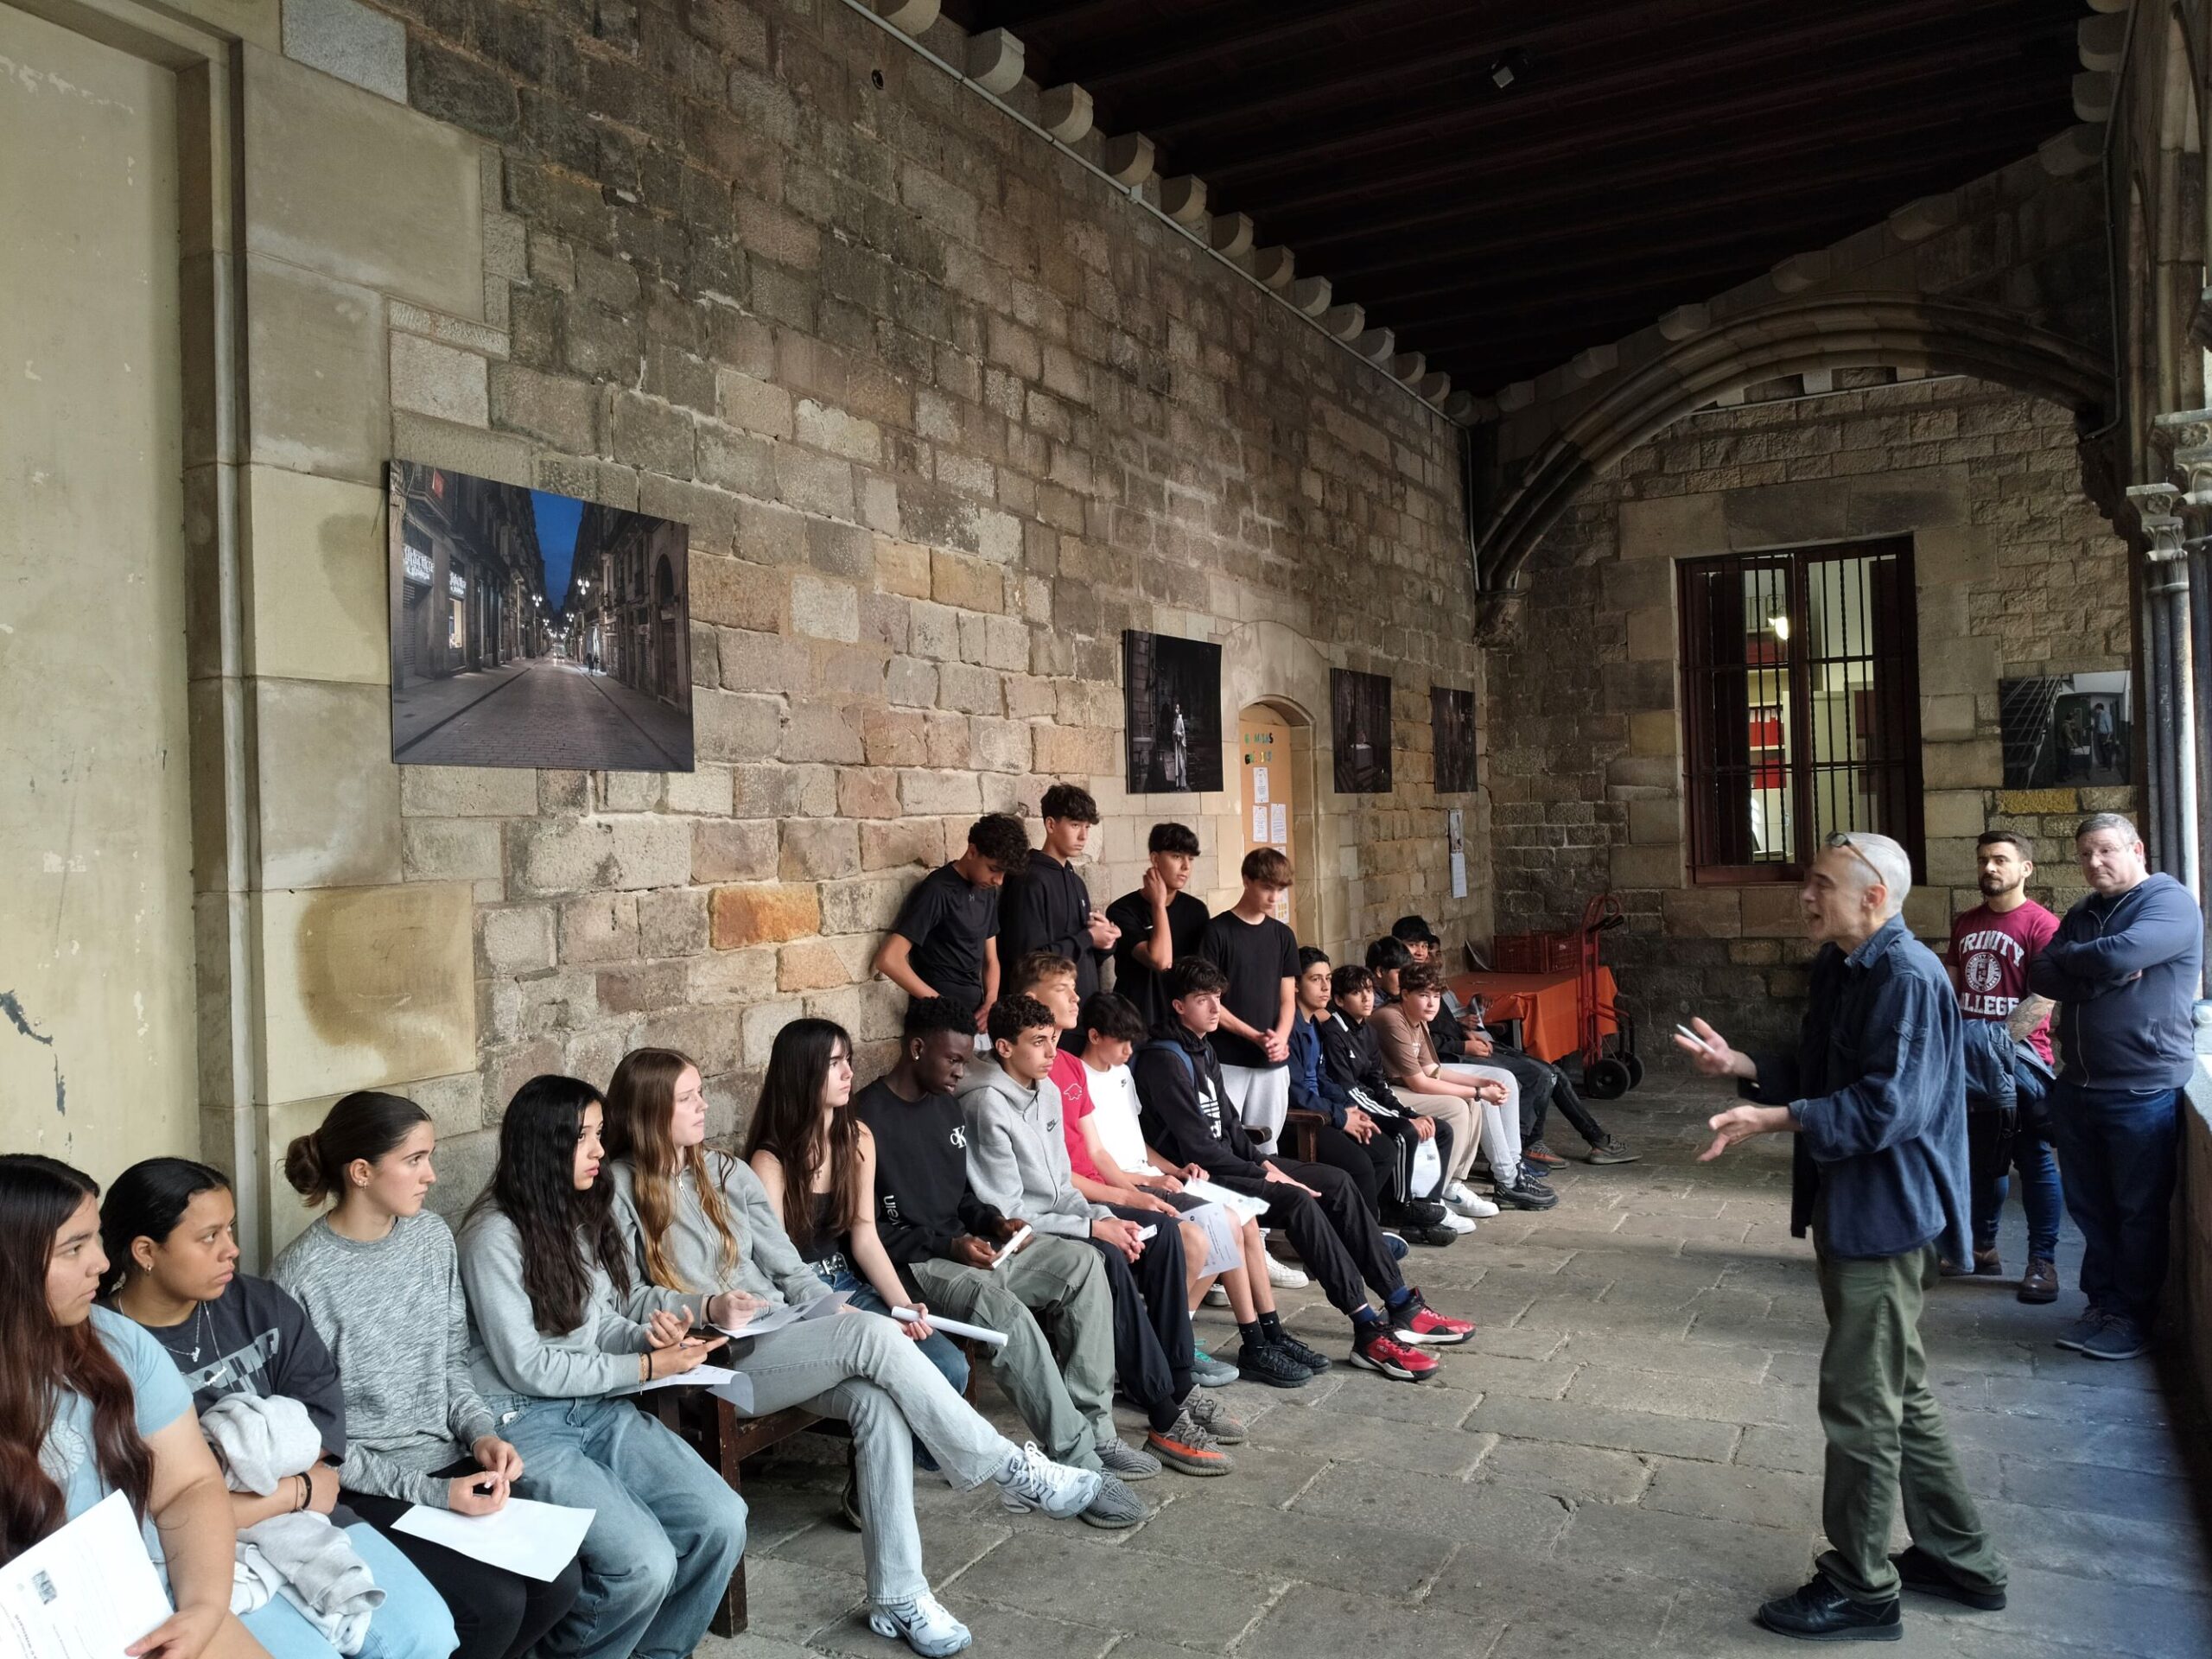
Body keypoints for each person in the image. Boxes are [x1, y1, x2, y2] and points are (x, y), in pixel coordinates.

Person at [605, 1041, 1112, 1652]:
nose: (704, 1106)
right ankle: (1009, 1468)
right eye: (688, 1098)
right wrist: (708, 1307)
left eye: (700, 1093)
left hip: (783, 1336)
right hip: (712, 1363)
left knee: (877, 1400)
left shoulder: (726, 1172)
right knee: (873, 1333)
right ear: (650, 1111)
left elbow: (788, 1267)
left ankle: (899, 1596)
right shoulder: (617, 1189)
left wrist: (830, 1307)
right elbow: (626, 1298)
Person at [1678, 830, 2005, 1640]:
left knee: (1861, 1405)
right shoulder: (1843, 965)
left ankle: (1862, 1586)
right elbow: (1826, 1068)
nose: (1805, 896)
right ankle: (1962, 1558)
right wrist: (1744, 1065)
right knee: (1900, 1389)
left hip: (1887, 1215)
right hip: (1853, 1205)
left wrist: (1773, 1119)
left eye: (1821, 884)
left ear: (1874, 897)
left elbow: (1888, 1106)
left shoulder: (1908, 977)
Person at [99, 1160, 458, 1659]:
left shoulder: (258, 1304)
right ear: (146, 1252)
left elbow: (320, 1427)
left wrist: (285, 1483)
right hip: (197, 1550)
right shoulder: (105, 1349)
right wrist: (295, 1490)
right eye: (209, 1237)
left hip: (311, 1523)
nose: (231, 1249)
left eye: (230, 1229)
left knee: (427, 1633)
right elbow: (150, 1501)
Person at [271, 1094, 582, 1659]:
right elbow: (318, 1444)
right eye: (414, 1159)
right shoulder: (299, 1277)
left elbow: (450, 1361)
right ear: (361, 1172)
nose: (431, 1175)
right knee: (492, 1606)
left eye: (429, 1156)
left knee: (560, 1582)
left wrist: (483, 1435)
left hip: (449, 1460)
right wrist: (436, 1494)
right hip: (367, 1484)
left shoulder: (432, 1237)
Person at [457, 1075, 750, 1659]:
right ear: (543, 1145)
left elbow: (595, 1326)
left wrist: (650, 1338)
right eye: (584, 1138)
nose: (599, 1150)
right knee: (643, 1564)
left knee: (722, 1519)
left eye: (599, 1133)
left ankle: (655, 1652)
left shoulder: (572, 1213)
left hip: (595, 1407)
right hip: (523, 1422)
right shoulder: (491, 1236)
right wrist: (644, 1368)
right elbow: (527, 1366)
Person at [852, 997, 1160, 1498]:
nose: (962, 1071)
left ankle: (1097, 1431)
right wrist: (951, 1244)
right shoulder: (866, 1118)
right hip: (913, 1266)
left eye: (965, 1060)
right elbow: (868, 1231)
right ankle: (1077, 1462)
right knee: (1005, 1313)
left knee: (1085, 1264)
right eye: (954, 1060)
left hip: (968, 1247)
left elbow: (963, 1197)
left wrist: (994, 1221)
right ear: (917, 1048)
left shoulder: (944, 1104)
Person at [1135, 959, 1474, 1381]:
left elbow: (1233, 1128)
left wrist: (1265, 1163)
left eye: (1218, 998)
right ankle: (1367, 1326)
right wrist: (1266, 1175)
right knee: (1297, 1200)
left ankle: (1400, 1301)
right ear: (1178, 1006)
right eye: (1202, 1000)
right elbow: (1198, 1148)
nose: (1215, 1008)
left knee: (1337, 1181)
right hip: (1200, 1176)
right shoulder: (1164, 1059)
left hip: (1233, 1163)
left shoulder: (1203, 1048)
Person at [958, 992, 1240, 1474]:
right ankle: (1162, 1412)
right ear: (1004, 1047)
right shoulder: (986, 1104)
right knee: (1106, 1259)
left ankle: (1177, 1378)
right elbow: (1010, 1213)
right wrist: (1094, 1227)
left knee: (1161, 1231)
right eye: (1038, 1042)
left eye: (1052, 1039)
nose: (1052, 1052)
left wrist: (1106, 1218)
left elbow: (1061, 1185)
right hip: (1021, 1235)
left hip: (1064, 1215)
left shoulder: (1046, 1089)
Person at [1, 1154, 267, 1659]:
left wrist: (203, 1609)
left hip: (148, 1611)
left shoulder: (118, 1343)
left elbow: (188, 1486)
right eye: (74, 1247)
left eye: (96, 1238)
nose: (102, 1263)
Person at [1032, 966, 1323, 1392]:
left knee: (1243, 1219)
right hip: (1113, 1186)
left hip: (1140, 1177)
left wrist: (1170, 1170)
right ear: (1095, 1036)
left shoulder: (1113, 1072)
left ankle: (1264, 1334)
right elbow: (1086, 1161)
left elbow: (1129, 1142)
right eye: (1122, 1041)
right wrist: (1136, 1188)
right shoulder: (1068, 1074)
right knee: (1217, 1227)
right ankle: (1178, 1340)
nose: (1130, 1050)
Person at [2027, 812, 2205, 1362]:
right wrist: (2094, 976)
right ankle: (2102, 1305)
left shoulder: (2169, 902)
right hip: (2079, 1085)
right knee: (2091, 1208)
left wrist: (2075, 961)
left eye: (2105, 850)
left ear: (2137, 849)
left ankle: (2131, 1317)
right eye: (2085, 853)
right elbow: (2040, 973)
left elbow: (2120, 954)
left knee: (2137, 1211)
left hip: (2140, 1088)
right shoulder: (2085, 911)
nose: (2094, 862)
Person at [721, 1033, 967, 1395]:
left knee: (949, 1365)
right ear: (802, 1072)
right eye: (834, 1063)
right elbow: (779, 1265)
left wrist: (903, 1306)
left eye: (848, 1060)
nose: (849, 1072)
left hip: (847, 1284)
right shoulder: (770, 1161)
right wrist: (866, 1322)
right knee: (902, 1380)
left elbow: (865, 1235)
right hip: (801, 1301)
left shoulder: (857, 1138)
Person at [1390, 915, 1637, 1167]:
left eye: (1423, 946)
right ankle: (1525, 1144)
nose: (1420, 952)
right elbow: (1420, 1041)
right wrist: (1462, 1045)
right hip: (1450, 1057)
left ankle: (1595, 1140)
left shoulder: (1422, 977)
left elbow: (1436, 1024)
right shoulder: (1401, 988)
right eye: (1412, 945)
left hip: (1461, 1045)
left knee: (1553, 1072)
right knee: (1540, 1076)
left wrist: (1464, 1030)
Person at [1944, 831, 2063, 1303]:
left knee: (2034, 1160)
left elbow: (2044, 998)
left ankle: (2043, 1263)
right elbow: (1951, 988)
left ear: (2025, 868)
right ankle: (1982, 1248)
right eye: (1982, 860)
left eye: (1999, 860)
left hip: (2021, 1061)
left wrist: (1993, 1043)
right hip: (1971, 1063)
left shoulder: (2042, 925)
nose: (1989, 868)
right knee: (1982, 1159)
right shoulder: (1966, 922)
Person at [1290, 950, 1464, 1249]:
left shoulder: (1333, 1028)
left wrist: (1349, 1109)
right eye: (1315, 979)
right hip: (1306, 1119)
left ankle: (1422, 1207)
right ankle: (1375, 1228)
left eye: (1327, 979)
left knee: (1425, 1133)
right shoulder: (1319, 1030)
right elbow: (1302, 1089)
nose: (1324, 987)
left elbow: (1343, 1081)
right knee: (1377, 1152)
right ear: (1295, 985)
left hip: (1335, 1108)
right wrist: (1345, 1113)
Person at [1319, 962, 1486, 1238]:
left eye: (1369, 991)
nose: (1367, 998)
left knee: (1441, 1129)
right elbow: (1349, 1090)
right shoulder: (1334, 1034)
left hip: (1372, 1101)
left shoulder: (1367, 1031)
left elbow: (1379, 1083)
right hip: (1350, 1107)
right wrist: (1403, 1118)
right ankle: (1401, 1208)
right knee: (1406, 1132)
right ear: (1339, 1000)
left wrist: (1405, 1111)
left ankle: (1430, 1203)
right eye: (1357, 993)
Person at [1374, 963, 1554, 1212]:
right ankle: (1471, 1184)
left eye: (1436, 996)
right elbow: (1419, 1081)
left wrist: (1482, 1082)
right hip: (1385, 1089)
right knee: (1469, 1103)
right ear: (1405, 994)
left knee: (1503, 1078)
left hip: (1407, 1082)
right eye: (1424, 995)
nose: (1432, 1003)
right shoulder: (1392, 1017)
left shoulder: (1419, 1017)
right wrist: (1479, 1092)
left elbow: (1432, 1069)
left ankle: (1513, 1168)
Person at [874, 813, 1031, 1031]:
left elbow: (990, 959)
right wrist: (944, 1007)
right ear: (972, 851)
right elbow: (888, 959)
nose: (999, 880)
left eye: (1004, 873)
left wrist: (990, 1001)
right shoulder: (938, 889)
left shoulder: (987, 891)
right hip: (938, 1024)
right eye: (994, 869)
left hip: (974, 1018)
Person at [1198, 849, 1301, 1152]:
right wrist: (1255, 1036)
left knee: (1267, 1147)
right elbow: (1209, 1001)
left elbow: (1288, 999)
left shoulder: (1283, 935)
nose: (1274, 897)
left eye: (1280, 889)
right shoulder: (1217, 931)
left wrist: (1280, 1038)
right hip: (1227, 1059)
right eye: (1267, 888)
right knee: (1224, 1144)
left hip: (1272, 1062)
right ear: (1246, 880)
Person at [996, 784, 1120, 1032]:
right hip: (1045, 1020)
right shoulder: (1029, 880)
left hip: (1080, 1014)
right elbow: (1027, 961)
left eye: (1087, 827)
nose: (1083, 836)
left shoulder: (1076, 881)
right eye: (1075, 825)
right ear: (1051, 825)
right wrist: (1088, 937)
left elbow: (1085, 957)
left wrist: (1105, 943)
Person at [1104, 823, 1211, 1035]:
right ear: (1155, 859)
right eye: (1177, 856)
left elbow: (1200, 976)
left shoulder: (1196, 910)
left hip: (1181, 1023)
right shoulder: (1122, 910)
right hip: (1135, 1023)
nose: (1186, 867)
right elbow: (1161, 961)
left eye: (1190, 859)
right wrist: (1159, 905)